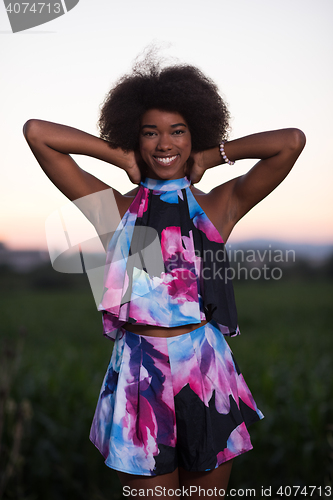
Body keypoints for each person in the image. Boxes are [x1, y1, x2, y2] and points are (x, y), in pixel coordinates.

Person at [23, 58, 306, 498]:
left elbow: (290, 142)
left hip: (206, 373)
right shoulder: (113, 210)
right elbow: (37, 133)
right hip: (140, 374)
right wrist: (118, 157)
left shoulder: (217, 208)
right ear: (136, 138)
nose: (164, 142)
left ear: (195, 135)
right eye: (149, 131)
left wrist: (214, 156)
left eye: (177, 130)